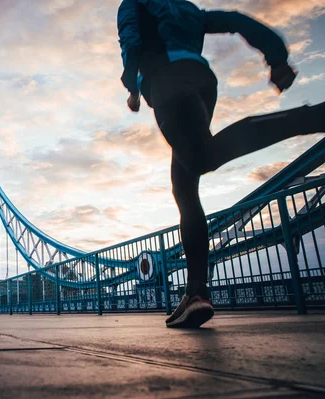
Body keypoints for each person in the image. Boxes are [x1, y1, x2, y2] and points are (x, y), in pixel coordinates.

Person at [117, 0, 324, 328]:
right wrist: (276, 57)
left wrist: (132, 88)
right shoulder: (186, 9)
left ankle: (309, 117)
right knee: (183, 187)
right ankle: (196, 293)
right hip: (202, 81)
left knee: (201, 159)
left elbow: (130, 40)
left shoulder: (133, 3)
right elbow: (236, 20)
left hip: (166, 81)